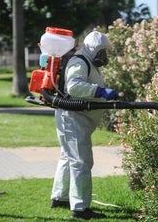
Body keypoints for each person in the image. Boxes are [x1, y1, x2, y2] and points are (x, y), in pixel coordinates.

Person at [50, 30, 119, 220]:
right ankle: (80, 208)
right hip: (73, 119)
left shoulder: (87, 62)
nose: (103, 56)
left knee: (68, 158)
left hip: (76, 119)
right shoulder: (79, 61)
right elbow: (74, 87)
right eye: (101, 51)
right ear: (92, 48)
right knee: (81, 162)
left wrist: (102, 92)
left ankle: (59, 197)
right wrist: (100, 91)